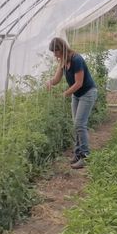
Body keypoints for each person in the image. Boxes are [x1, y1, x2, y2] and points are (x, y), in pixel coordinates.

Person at [45, 37, 98, 169]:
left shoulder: (76, 59)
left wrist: (64, 94)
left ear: (61, 48)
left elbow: (79, 83)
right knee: (76, 125)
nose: (54, 54)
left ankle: (85, 156)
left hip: (87, 93)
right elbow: (57, 79)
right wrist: (49, 82)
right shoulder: (63, 60)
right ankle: (77, 154)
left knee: (80, 124)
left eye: (55, 51)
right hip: (77, 95)